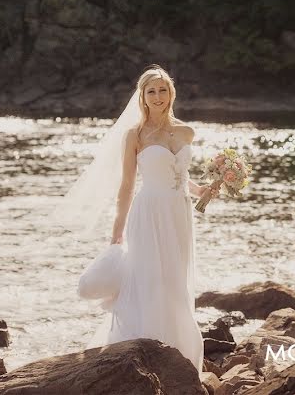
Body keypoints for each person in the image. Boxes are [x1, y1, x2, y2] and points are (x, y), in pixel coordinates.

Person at [76, 64, 221, 372]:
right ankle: (145, 350)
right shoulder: (135, 135)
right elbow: (127, 185)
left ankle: (179, 352)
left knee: (175, 282)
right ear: (142, 97)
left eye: (163, 90)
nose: (158, 96)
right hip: (149, 213)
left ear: (171, 93)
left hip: (179, 214)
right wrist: (118, 228)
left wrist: (206, 190)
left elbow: (180, 178)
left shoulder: (186, 131)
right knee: (150, 280)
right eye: (151, 91)